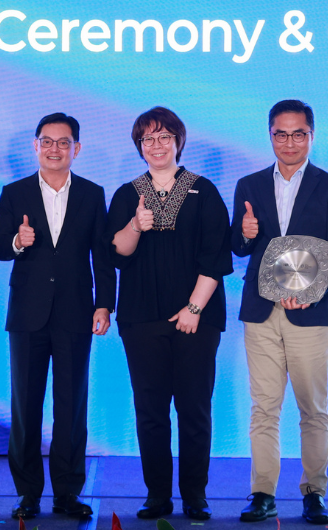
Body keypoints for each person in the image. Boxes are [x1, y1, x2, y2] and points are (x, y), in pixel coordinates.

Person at [104, 106, 232, 521]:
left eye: (164, 137)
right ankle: (157, 494)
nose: (156, 146)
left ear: (178, 141)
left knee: (194, 408)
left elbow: (216, 256)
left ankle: (195, 494)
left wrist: (194, 307)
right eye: (148, 139)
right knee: (151, 410)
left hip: (197, 316)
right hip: (141, 318)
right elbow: (117, 252)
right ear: (139, 146)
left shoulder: (204, 190)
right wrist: (136, 226)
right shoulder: (127, 192)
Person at [230, 100, 328, 525]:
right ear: (270, 135)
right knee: (264, 407)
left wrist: (312, 293)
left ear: (311, 136)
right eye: (281, 133)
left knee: (312, 408)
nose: (289, 141)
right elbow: (239, 247)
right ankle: (262, 493)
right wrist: (243, 234)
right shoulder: (249, 184)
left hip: (310, 312)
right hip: (260, 311)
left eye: (298, 133)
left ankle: (314, 493)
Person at [0, 113, 114, 520]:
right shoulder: (14, 192)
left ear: (76, 149)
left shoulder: (93, 195)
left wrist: (105, 304)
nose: (55, 149)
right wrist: (16, 240)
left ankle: (67, 493)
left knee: (71, 407)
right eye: (47, 141)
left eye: (64, 142)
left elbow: (103, 255)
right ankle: (27, 493)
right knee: (25, 407)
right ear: (35, 146)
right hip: (27, 314)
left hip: (76, 312)